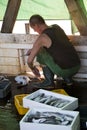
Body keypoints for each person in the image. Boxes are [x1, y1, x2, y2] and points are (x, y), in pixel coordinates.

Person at [27, 14, 80, 89]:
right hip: (76, 66)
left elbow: (29, 61)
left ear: (36, 25)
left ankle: (48, 82)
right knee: (59, 53)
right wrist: (33, 50)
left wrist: (33, 69)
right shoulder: (56, 27)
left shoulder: (42, 38)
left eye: (33, 29)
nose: (35, 31)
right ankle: (68, 80)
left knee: (40, 52)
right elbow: (58, 46)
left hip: (64, 71)